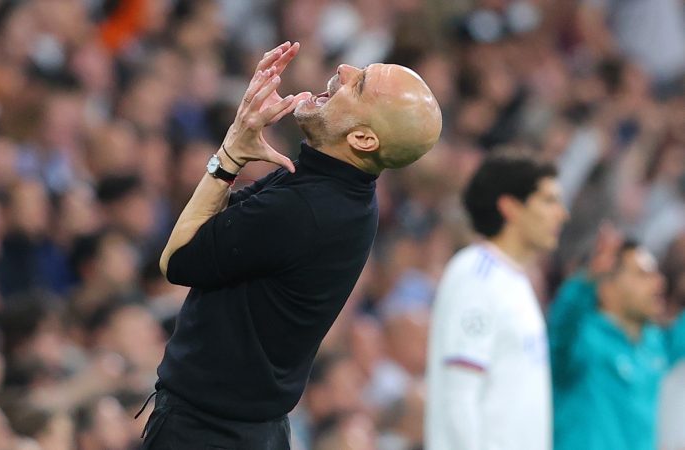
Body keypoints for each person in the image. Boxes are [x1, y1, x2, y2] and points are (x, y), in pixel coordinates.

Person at [141, 41, 442, 449]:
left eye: (359, 85)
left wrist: (230, 152)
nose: (344, 69)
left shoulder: (308, 207)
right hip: (250, 430)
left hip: (207, 434)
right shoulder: (341, 189)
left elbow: (177, 258)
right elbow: (219, 224)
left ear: (362, 139)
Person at [425, 152, 569, 450]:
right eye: (548, 201)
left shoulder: (515, 281)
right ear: (510, 207)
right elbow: (459, 396)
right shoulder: (476, 276)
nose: (562, 214)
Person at [548, 228, 685, 450]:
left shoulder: (654, 345)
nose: (658, 283)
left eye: (656, 274)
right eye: (643, 275)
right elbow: (561, 329)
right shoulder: (583, 343)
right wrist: (586, 280)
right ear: (606, 287)